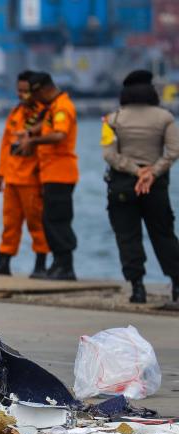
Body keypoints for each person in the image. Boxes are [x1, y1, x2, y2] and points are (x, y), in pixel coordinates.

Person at [102, 70, 179, 304]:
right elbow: (174, 151)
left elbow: (109, 155)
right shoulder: (165, 118)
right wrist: (150, 172)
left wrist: (136, 171)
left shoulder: (112, 119)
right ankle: (177, 285)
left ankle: (138, 288)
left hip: (122, 185)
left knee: (128, 237)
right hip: (155, 186)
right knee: (164, 234)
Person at [18, 73, 78, 280]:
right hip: (51, 174)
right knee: (50, 219)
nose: (35, 100)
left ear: (44, 89)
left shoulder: (62, 107)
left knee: (58, 220)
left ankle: (66, 266)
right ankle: (59, 264)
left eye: (36, 94)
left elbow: (60, 134)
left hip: (61, 173)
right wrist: (31, 132)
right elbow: (47, 127)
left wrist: (34, 142)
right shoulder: (53, 108)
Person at [0, 70, 49, 277]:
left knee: (37, 223)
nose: (22, 95)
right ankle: (3, 263)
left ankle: (41, 264)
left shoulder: (43, 114)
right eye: (19, 90)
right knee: (9, 223)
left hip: (32, 179)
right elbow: (6, 145)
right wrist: (0, 174)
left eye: (26, 91)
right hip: (12, 179)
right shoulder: (15, 113)